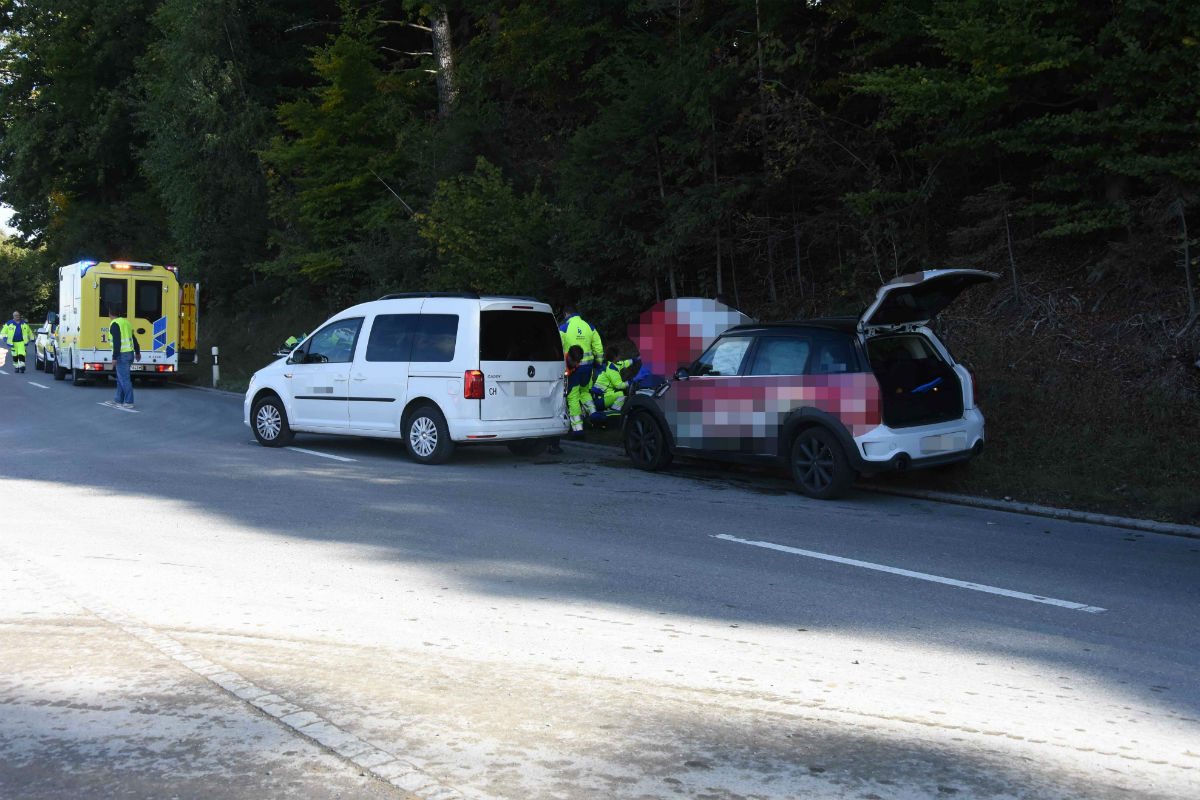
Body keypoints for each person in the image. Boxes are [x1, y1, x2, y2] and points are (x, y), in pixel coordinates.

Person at [559, 305, 603, 440]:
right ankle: (594, 412)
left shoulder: (563, 328)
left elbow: (558, 346)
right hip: (588, 368)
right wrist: (599, 364)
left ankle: (578, 430)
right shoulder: (589, 326)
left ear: (566, 314)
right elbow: (598, 346)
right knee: (585, 392)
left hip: (572, 368)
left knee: (572, 396)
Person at [590, 345, 640, 422]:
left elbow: (624, 363)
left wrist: (636, 359)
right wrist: (632, 381)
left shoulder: (611, 364)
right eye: (619, 354)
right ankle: (612, 412)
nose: (620, 356)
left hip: (598, 396)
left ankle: (608, 410)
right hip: (600, 399)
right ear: (615, 357)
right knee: (621, 394)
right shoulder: (612, 370)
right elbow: (619, 385)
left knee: (618, 393)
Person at [105, 304, 141, 409]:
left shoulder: (115, 324)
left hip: (122, 355)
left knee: (124, 379)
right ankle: (118, 400)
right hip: (129, 354)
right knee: (121, 378)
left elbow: (117, 342)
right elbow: (134, 339)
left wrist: (114, 357)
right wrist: (137, 352)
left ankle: (129, 401)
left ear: (110, 314)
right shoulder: (126, 323)